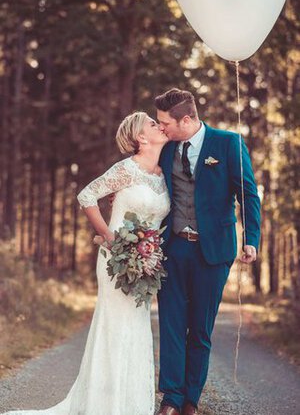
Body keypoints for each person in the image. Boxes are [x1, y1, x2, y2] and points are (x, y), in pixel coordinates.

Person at [2, 111, 170, 415]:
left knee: (137, 329)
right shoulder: (126, 169)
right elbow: (87, 195)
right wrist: (107, 236)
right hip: (116, 261)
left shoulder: (162, 173)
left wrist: (149, 254)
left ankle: (130, 405)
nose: (159, 126)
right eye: (152, 123)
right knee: (115, 328)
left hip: (144, 264)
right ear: (141, 138)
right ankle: (105, 406)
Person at [155, 88, 261, 415]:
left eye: (165, 123)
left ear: (186, 119)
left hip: (213, 253)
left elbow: (249, 194)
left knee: (200, 329)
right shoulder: (164, 147)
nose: (161, 128)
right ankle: (171, 399)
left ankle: (191, 400)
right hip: (172, 249)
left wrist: (252, 239)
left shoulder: (227, 143)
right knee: (171, 325)